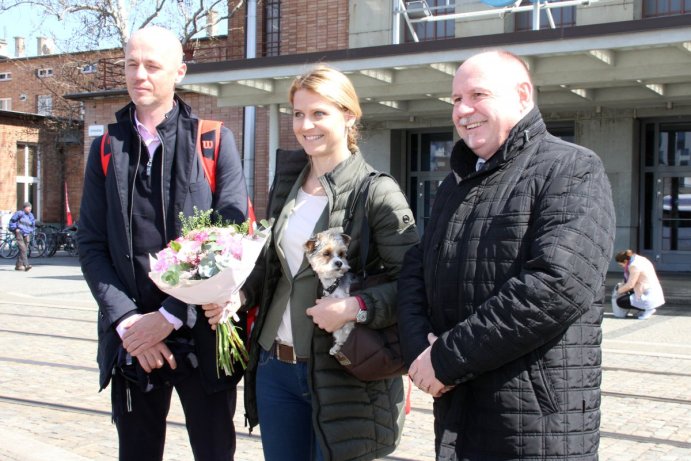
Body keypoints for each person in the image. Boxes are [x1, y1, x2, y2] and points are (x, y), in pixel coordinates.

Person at [397, 50, 616, 460]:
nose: (463, 110)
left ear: (522, 95)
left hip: (536, 424)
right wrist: (417, 351)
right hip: (461, 411)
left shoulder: (572, 169)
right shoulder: (455, 184)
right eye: (455, 100)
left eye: (478, 95)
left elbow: (557, 285)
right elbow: (417, 268)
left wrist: (445, 359)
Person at [205, 65, 418, 461]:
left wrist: (356, 307)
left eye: (319, 113)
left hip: (340, 373)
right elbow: (272, 267)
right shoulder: (288, 182)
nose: (306, 125)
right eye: (298, 114)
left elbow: (413, 282)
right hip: (274, 367)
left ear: (349, 115)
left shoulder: (377, 192)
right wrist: (239, 296)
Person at [77, 26, 247, 461]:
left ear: (179, 72)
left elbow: (230, 236)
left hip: (202, 337)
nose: (140, 75)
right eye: (132, 64)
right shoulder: (105, 148)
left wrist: (169, 316)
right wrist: (131, 324)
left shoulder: (213, 140)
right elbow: (91, 245)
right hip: (133, 341)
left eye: (152, 66)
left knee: (214, 453)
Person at [613, 249, 664, 319]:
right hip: (655, 290)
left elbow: (630, 284)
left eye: (621, 265)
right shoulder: (639, 259)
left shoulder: (634, 266)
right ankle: (643, 309)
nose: (623, 267)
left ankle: (648, 309)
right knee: (630, 292)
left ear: (625, 261)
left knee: (620, 301)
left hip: (648, 294)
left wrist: (618, 292)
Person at [8, 201, 35, 271]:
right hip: (19, 232)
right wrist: (15, 229)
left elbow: (32, 224)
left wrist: (31, 230)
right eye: (28, 207)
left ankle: (19, 265)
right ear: (25, 208)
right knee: (23, 249)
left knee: (24, 249)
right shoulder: (19, 213)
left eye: (30, 207)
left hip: (26, 233)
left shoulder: (31, 215)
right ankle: (26, 265)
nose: (30, 208)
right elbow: (12, 221)